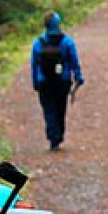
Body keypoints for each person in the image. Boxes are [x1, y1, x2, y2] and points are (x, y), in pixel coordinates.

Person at [31, 11, 85, 151]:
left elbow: (34, 64)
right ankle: (58, 135)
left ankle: (53, 138)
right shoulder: (67, 42)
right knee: (60, 108)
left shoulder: (38, 43)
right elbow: (74, 61)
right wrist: (78, 77)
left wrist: (35, 83)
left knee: (49, 109)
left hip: (44, 81)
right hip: (63, 80)